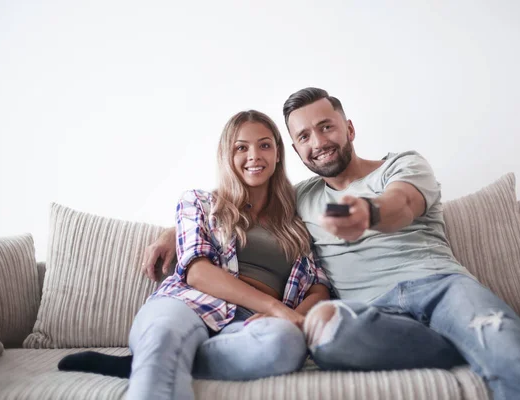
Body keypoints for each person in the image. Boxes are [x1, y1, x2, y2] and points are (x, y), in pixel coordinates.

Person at [144, 89, 520, 400]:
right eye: (304, 137)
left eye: (326, 127)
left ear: (348, 127)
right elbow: (241, 205)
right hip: (368, 311)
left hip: (439, 285)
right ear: (294, 152)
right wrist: (174, 231)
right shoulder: (300, 199)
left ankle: (497, 338)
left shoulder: (400, 166)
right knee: (324, 333)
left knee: (490, 328)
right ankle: (517, 338)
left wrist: (368, 213)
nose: (318, 142)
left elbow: (402, 204)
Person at [58, 110, 331, 400]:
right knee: (164, 334)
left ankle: (150, 360)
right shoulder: (199, 202)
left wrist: (289, 318)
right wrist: (276, 308)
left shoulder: (297, 221)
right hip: (189, 304)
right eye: (241, 147)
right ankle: (159, 354)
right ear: (227, 155)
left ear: (278, 154)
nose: (254, 155)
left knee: (286, 345)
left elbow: (319, 287)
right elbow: (198, 272)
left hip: (250, 325)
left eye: (264, 145)